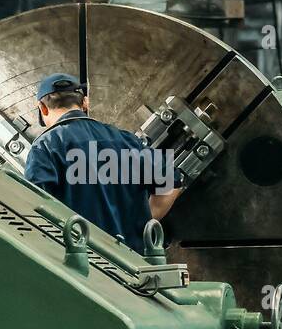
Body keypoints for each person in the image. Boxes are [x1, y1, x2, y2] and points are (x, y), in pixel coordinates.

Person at [23, 73, 182, 250]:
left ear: (42, 108)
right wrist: (142, 224)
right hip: (133, 261)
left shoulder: (45, 148)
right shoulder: (125, 140)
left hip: (82, 262)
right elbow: (172, 181)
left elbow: (35, 207)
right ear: (85, 103)